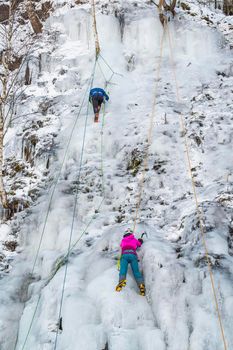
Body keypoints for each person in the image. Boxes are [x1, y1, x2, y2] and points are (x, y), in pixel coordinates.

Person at [115, 229, 145, 296]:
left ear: (125, 235)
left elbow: (121, 247)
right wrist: (140, 240)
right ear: (131, 234)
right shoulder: (134, 239)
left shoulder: (123, 240)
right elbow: (139, 245)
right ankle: (141, 285)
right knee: (136, 272)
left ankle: (121, 281)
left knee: (123, 270)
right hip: (132, 255)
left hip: (124, 255)